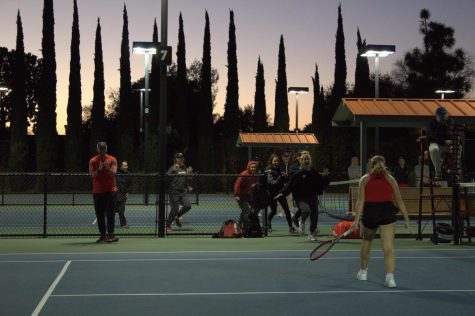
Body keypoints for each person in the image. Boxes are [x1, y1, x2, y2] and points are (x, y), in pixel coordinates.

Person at [351, 155, 411, 288]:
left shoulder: (364, 179)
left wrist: (356, 221)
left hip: (370, 213)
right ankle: (390, 278)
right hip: (387, 213)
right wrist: (406, 219)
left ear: (370, 165)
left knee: (366, 243)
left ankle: (363, 272)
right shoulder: (391, 179)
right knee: (388, 248)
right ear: (384, 165)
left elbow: (360, 201)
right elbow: (399, 200)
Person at [276, 152, 330, 241]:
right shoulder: (297, 174)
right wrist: (282, 193)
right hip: (300, 198)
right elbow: (289, 185)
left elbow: (321, 183)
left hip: (312, 197)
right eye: (304, 159)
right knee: (306, 210)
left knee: (314, 216)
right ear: (301, 161)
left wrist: (326, 177)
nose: (306, 161)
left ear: (310, 161)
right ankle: (301, 221)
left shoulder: (314, 172)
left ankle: (312, 233)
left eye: (308, 159)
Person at [88, 141, 119, 243]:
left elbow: (113, 174)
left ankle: (111, 235)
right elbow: (92, 175)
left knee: (111, 214)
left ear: (106, 149)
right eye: (100, 149)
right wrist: (100, 170)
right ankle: (103, 235)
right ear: (97, 149)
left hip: (110, 191)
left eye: (104, 148)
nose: (102, 151)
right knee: (100, 214)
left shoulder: (112, 159)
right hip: (98, 192)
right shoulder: (93, 161)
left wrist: (107, 168)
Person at [265, 154, 297, 233]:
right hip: (272, 194)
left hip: (280, 193)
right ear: (271, 162)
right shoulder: (269, 171)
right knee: (274, 211)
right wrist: (281, 177)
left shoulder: (280, 170)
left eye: (277, 161)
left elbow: (285, 181)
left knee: (286, 210)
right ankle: (268, 225)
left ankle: (291, 227)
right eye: (274, 161)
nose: (276, 162)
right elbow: (272, 183)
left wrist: (286, 177)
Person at [166, 153, 193, 233]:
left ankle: (177, 217)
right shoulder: (173, 168)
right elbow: (167, 176)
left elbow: (185, 179)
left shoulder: (184, 168)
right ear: (175, 159)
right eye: (178, 158)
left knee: (188, 205)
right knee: (175, 209)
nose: (180, 159)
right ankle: (167, 225)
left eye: (181, 158)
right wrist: (173, 169)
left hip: (182, 192)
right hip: (174, 192)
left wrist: (188, 186)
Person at [427, 106, 454, 179]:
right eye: (441, 117)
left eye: (444, 116)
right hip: (437, 143)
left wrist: (444, 127)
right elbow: (433, 136)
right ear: (436, 116)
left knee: (457, 147)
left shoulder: (450, 121)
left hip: (446, 144)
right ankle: (438, 173)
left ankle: (454, 171)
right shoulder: (432, 123)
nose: (443, 118)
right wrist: (443, 139)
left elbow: (451, 135)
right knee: (434, 149)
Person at [115, 160, 131, 228]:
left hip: (123, 194)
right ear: (120, 166)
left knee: (121, 209)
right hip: (117, 194)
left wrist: (128, 192)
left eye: (126, 165)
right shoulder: (117, 173)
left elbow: (129, 184)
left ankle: (123, 224)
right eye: (124, 166)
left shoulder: (128, 174)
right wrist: (125, 192)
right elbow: (120, 184)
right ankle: (123, 224)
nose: (125, 167)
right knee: (117, 209)